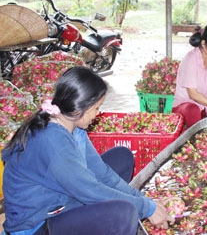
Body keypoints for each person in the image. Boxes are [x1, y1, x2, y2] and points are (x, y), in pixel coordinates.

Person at [1, 66, 174, 235]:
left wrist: (145, 202)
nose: (98, 114)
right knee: (124, 213)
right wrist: (146, 209)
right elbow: (91, 190)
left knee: (122, 157)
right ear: (79, 109)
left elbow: (102, 173)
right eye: (97, 108)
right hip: (38, 222)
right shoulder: (53, 144)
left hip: (60, 199)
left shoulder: (72, 126)